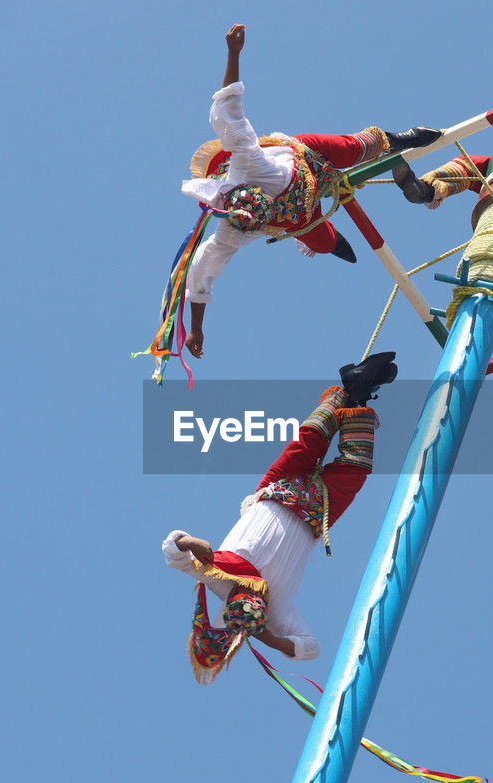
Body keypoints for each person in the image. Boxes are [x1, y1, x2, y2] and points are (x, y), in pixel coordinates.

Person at [179, 24, 441, 358]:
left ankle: (396, 139)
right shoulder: (233, 230)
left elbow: (230, 113)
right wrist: (197, 327)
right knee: (322, 241)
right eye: (251, 215)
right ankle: (331, 241)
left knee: (355, 149)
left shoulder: (246, 163)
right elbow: (202, 272)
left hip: (307, 157)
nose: (252, 211)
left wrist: (233, 53)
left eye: (250, 204)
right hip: (299, 214)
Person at [162, 352, 397, 683]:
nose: (250, 606)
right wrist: (265, 636)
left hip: (275, 492)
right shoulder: (276, 616)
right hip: (317, 514)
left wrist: (190, 541)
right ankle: (358, 390)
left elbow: (173, 552)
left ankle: (344, 391)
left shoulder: (215, 577)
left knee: (309, 441)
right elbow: (310, 647)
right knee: (355, 468)